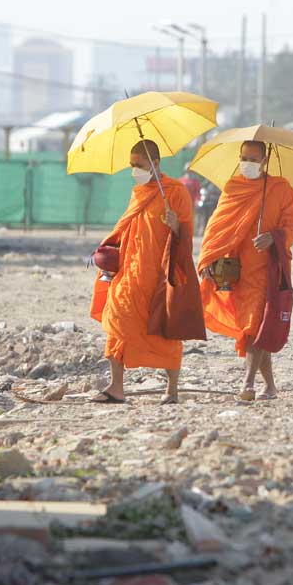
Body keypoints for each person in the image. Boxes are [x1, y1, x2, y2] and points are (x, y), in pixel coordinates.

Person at [88, 140, 197, 405]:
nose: (134, 170)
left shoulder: (176, 192)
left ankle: (172, 389)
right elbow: (127, 228)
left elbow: (187, 237)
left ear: (155, 164)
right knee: (117, 321)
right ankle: (116, 387)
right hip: (130, 272)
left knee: (165, 331)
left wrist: (176, 226)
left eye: (139, 164)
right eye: (132, 165)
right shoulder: (139, 193)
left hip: (159, 276)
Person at [198, 140, 293, 401]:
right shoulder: (233, 188)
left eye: (253, 159)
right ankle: (270, 386)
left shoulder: (280, 189)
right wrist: (208, 259)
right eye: (244, 158)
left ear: (264, 161)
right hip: (239, 269)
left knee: (255, 324)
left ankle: (247, 383)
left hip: (268, 269)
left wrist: (274, 237)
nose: (247, 163)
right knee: (257, 327)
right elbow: (217, 228)